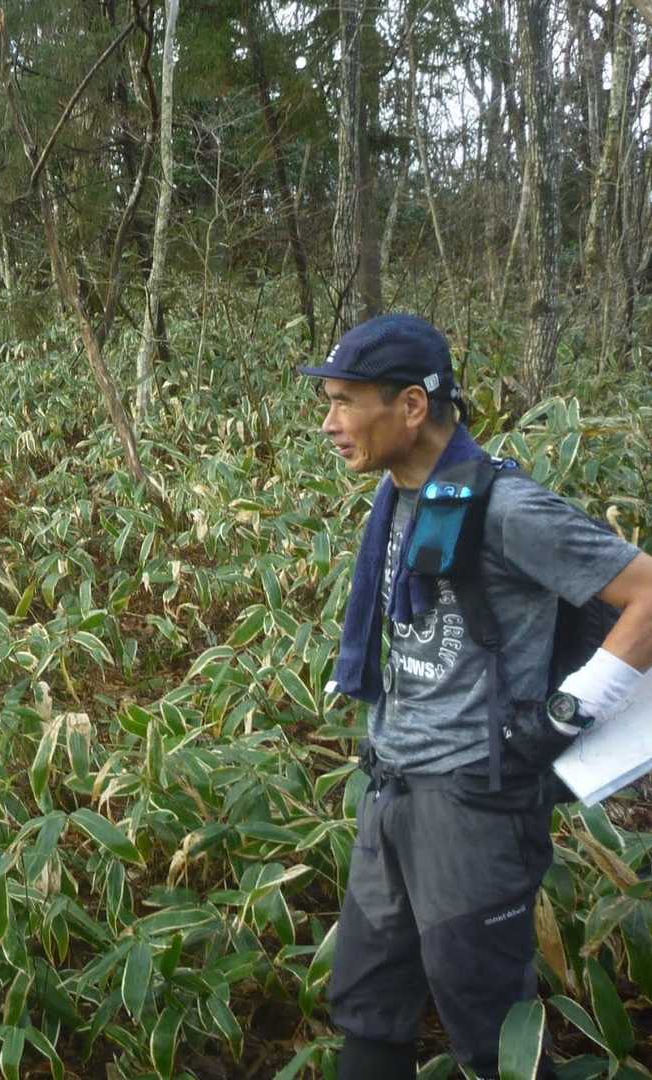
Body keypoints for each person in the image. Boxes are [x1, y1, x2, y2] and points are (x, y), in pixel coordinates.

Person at [300, 314, 652, 1080]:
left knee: (492, 1035)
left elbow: (647, 595)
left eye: (345, 402)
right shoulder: (397, 495)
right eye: (328, 402)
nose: (328, 423)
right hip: (391, 789)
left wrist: (567, 712)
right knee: (366, 1007)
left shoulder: (506, 509)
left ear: (411, 406)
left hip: (473, 808)